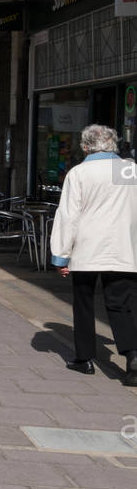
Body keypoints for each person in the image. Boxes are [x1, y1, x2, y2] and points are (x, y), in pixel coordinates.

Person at [49, 124, 137, 383]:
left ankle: (84, 359)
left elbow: (68, 216)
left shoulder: (80, 173)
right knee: (122, 304)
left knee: (84, 303)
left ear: (86, 146)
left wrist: (61, 255)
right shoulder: (129, 170)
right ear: (113, 144)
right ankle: (132, 355)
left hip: (86, 249)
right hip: (123, 248)